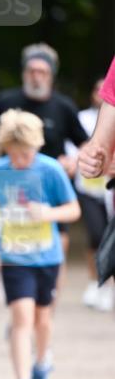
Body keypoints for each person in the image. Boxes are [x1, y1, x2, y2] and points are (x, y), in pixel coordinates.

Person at [0, 110, 80, 379]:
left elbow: (73, 210)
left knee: (42, 319)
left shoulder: (50, 170)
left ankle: (42, 364)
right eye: (13, 155)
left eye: (24, 155)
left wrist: (48, 213)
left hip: (47, 257)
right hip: (14, 257)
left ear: (36, 147)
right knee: (21, 318)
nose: (19, 161)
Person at [0, 43, 87, 272]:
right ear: (24, 73)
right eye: (31, 71)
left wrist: (73, 161)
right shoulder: (5, 101)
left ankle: (48, 301)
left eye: (42, 72)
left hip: (52, 187)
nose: (36, 77)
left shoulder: (63, 106)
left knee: (56, 251)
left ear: (51, 75)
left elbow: (86, 144)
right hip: (13, 186)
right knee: (14, 251)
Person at [70, 79, 113, 310]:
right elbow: (76, 148)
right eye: (97, 89)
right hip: (88, 188)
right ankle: (94, 280)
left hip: (109, 190)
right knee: (96, 237)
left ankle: (108, 287)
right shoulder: (83, 118)